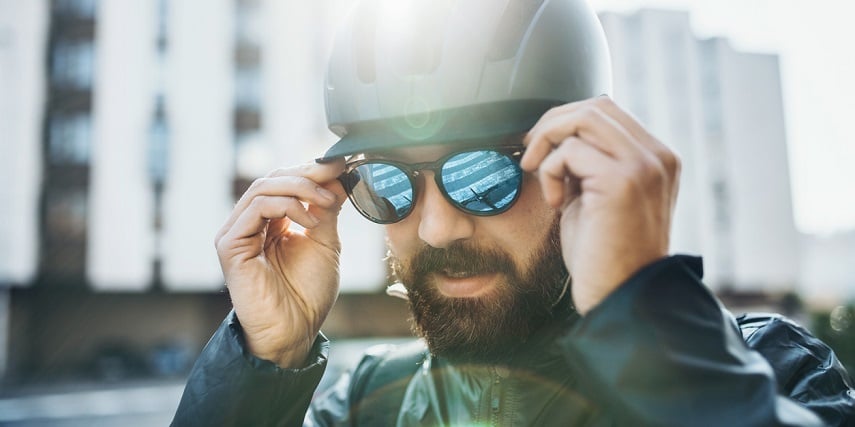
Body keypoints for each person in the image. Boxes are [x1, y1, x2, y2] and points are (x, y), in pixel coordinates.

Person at [172, 0, 855, 425]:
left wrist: (647, 323)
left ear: (579, 166)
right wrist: (264, 362)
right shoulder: (364, 403)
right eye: (389, 183)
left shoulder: (761, 368)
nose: (437, 227)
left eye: (486, 172)